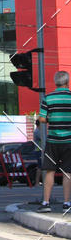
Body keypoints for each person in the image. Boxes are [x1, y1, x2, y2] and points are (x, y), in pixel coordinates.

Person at [36, 70, 71, 212]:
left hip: (53, 141)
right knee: (68, 172)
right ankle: (66, 203)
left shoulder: (48, 98)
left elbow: (42, 119)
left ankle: (45, 202)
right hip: (69, 140)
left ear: (55, 83)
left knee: (49, 171)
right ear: (67, 82)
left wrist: (52, 118)